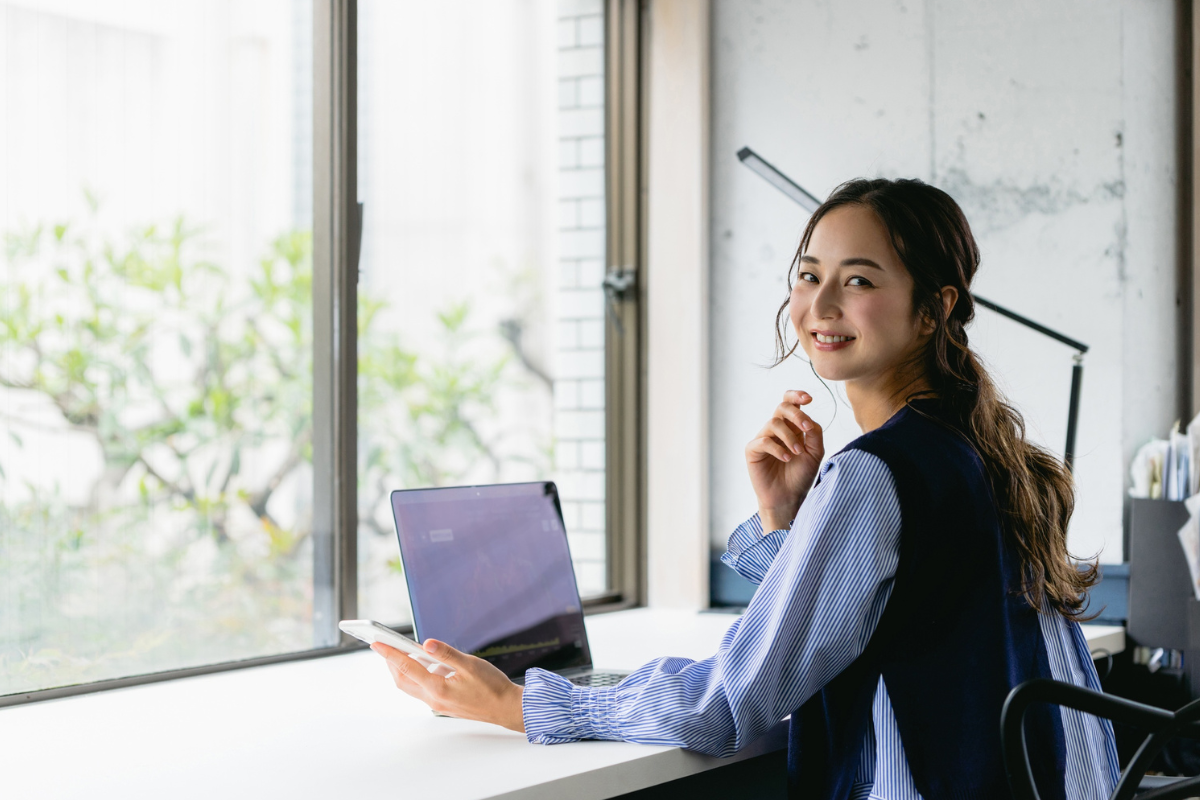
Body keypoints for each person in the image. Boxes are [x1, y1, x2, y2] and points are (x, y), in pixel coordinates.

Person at [369, 178, 1119, 799]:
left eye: (858, 280)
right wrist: (786, 520)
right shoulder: (974, 449)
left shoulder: (876, 474)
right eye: (808, 274)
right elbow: (881, 616)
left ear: (934, 308)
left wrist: (521, 703)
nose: (820, 305)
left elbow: (728, 703)